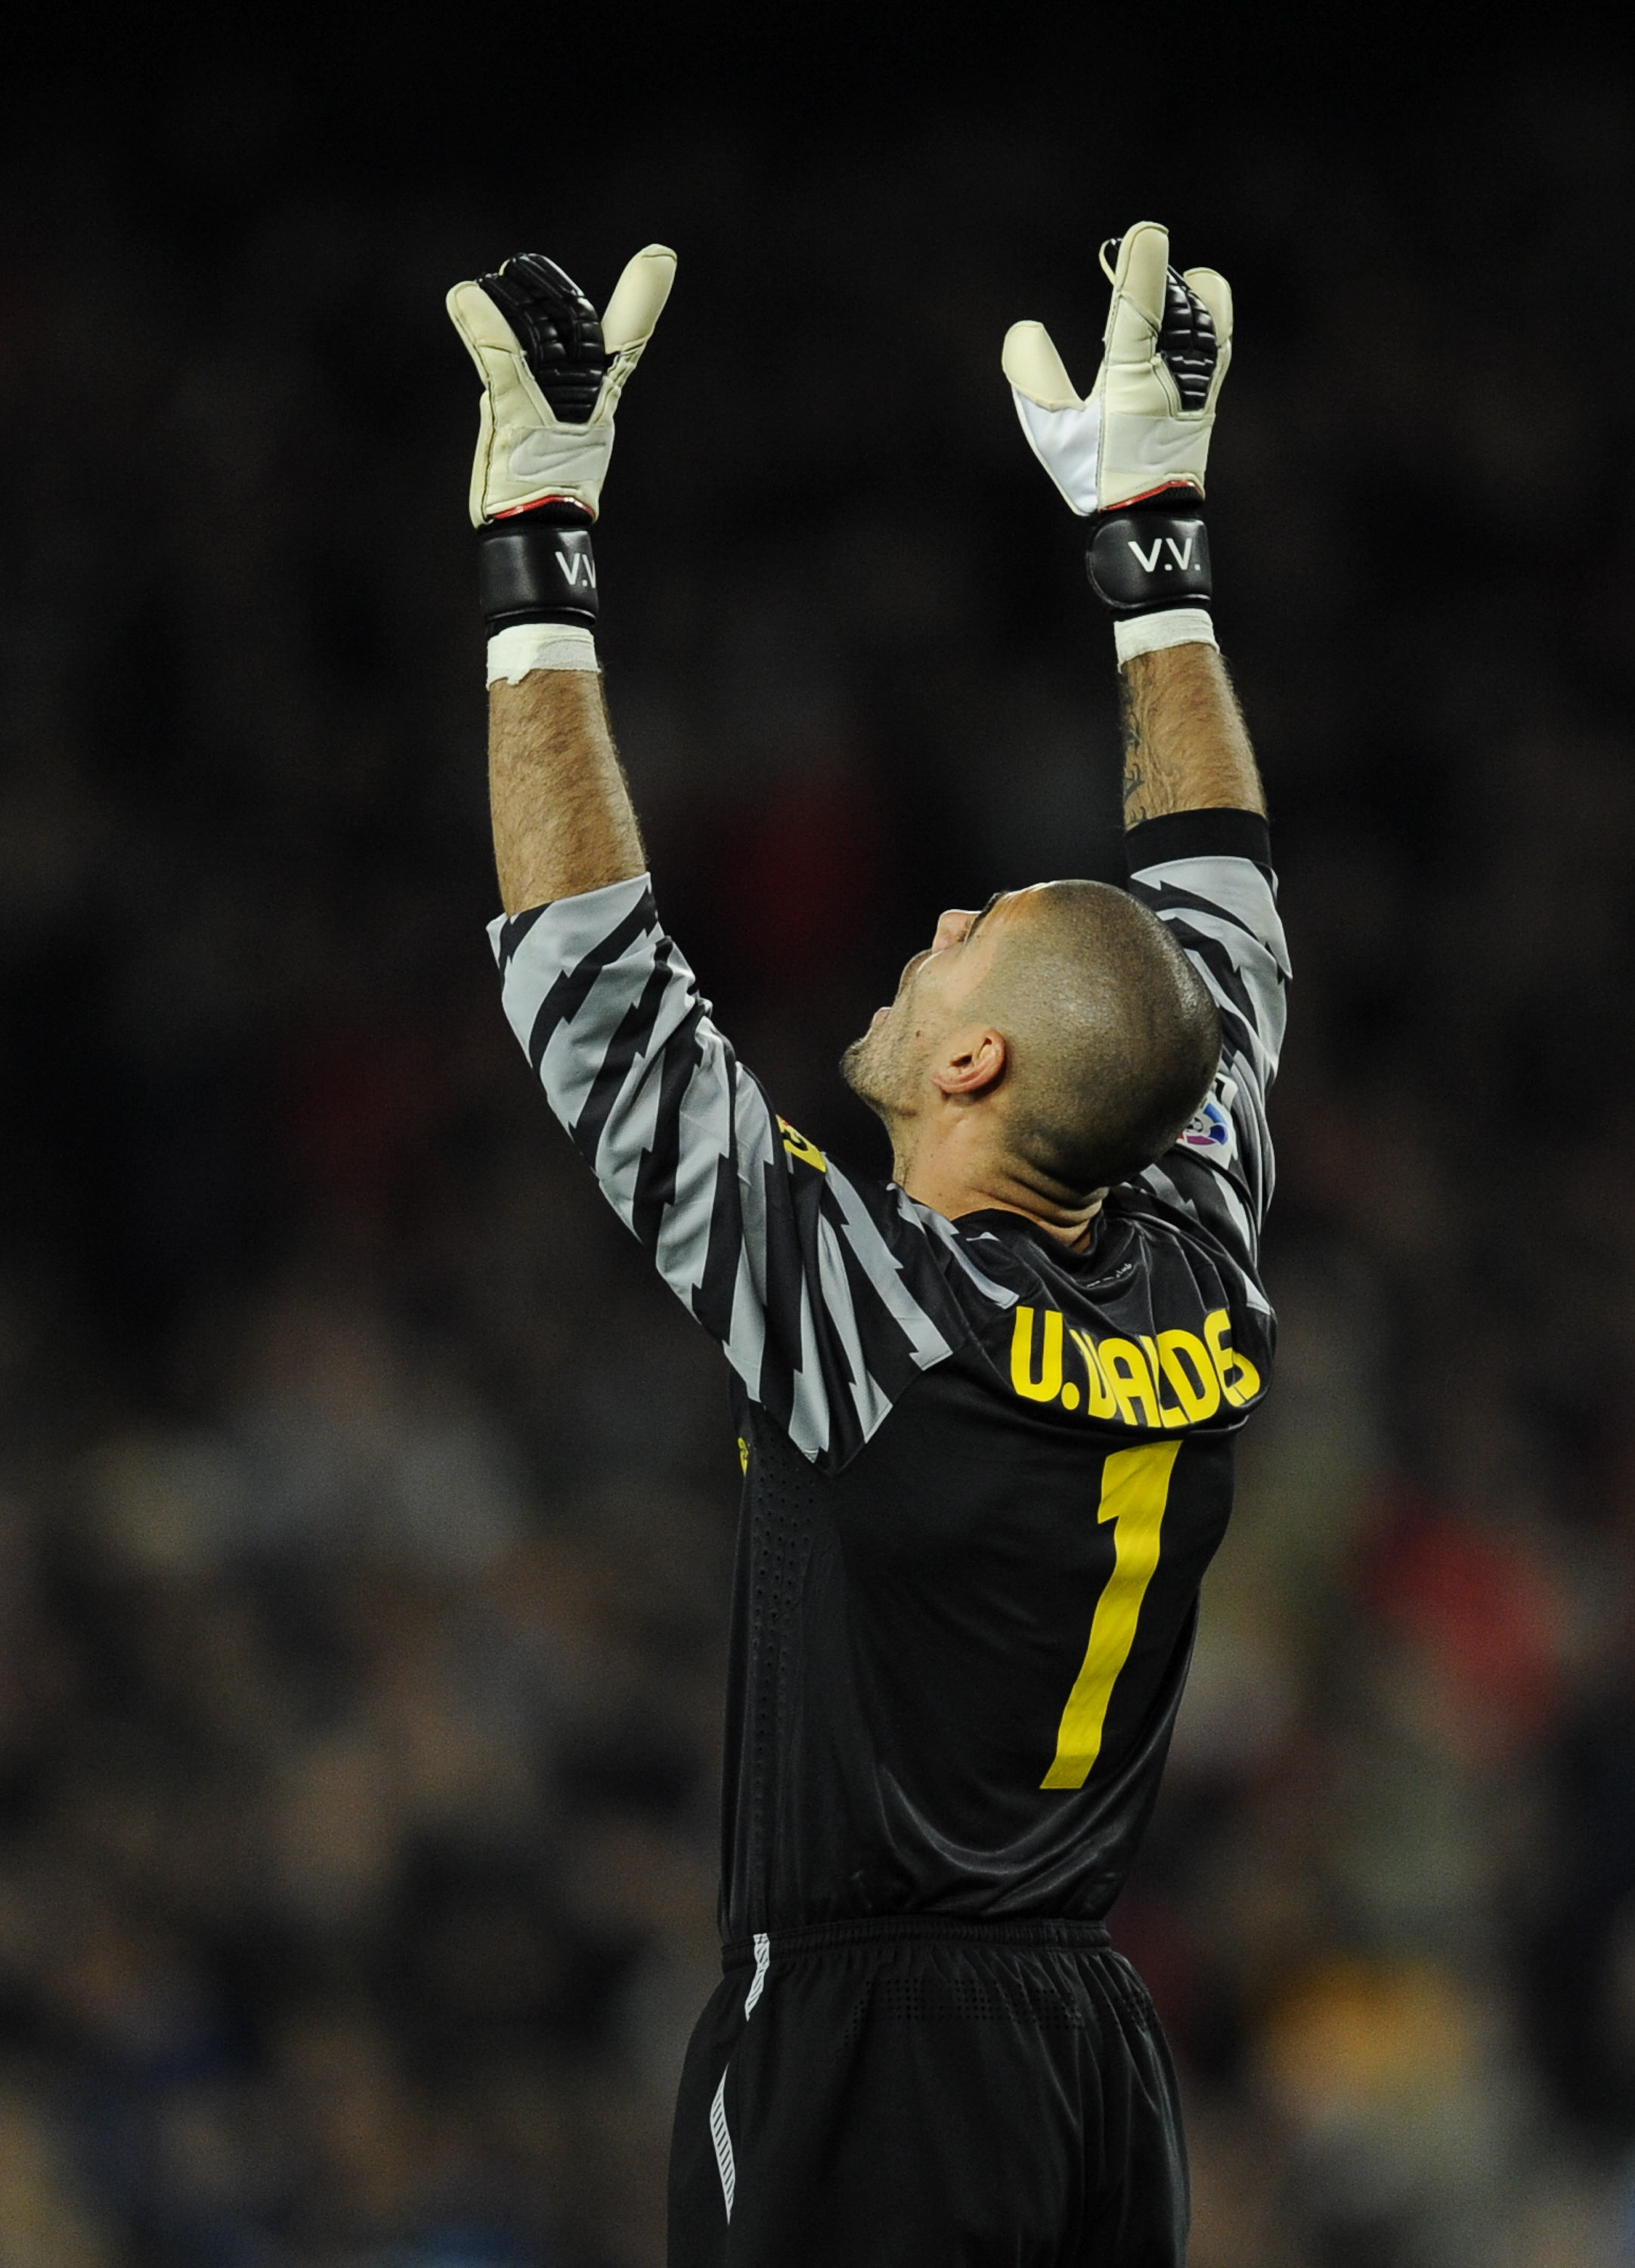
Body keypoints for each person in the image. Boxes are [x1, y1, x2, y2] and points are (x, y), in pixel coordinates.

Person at [447, 220, 1287, 2267]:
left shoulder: (878, 1313)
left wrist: (535, 552)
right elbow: (1220, 915)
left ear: (979, 1060)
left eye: (956, 940)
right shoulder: (1195, 1265)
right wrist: (1151, 543)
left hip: (864, 2060)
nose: (921, 934)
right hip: (1090, 2046)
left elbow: (593, 986)